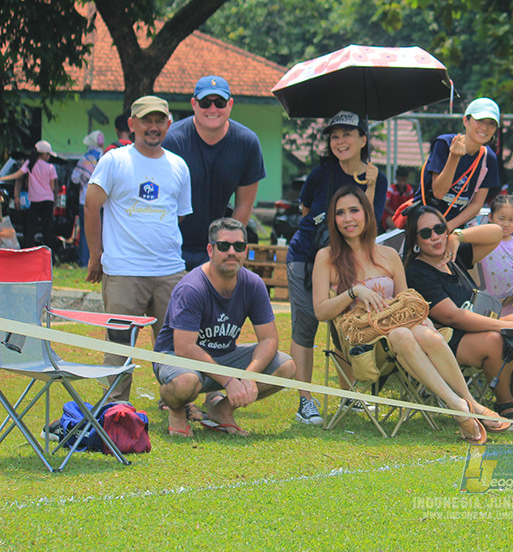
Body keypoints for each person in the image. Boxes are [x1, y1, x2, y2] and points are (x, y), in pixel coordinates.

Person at [313, 186, 492, 444]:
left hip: (400, 335)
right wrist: (353, 292)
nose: (348, 218)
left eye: (354, 210)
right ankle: (458, 404)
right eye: (340, 213)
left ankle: (468, 404)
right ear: (333, 219)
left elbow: (406, 302)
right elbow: (320, 311)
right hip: (363, 343)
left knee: (420, 334)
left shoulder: (387, 255)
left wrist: (424, 321)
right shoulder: (326, 258)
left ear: (366, 214)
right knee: (403, 334)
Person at [404, 205, 513, 430]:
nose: (436, 237)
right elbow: (453, 317)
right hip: (445, 339)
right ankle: (506, 403)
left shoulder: (453, 255)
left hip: (474, 328)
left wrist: (458, 236)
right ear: (415, 239)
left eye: (439, 229)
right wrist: (502, 325)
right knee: (498, 338)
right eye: (426, 233)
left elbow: (496, 232)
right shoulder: (418, 271)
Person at [85, 96, 192, 402]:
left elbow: (179, 214)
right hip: (123, 272)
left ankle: (177, 404)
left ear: (168, 124)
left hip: (170, 272)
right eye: (146, 120)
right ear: (132, 124)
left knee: (175, 346)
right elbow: (92, 207)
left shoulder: (178, 166)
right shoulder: (115, 161)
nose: (153, 127)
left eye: (159, 121)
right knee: (118, 348)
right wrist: (96, 255)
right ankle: (114, 411)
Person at [286, 111, 387, 425]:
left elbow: (368, 222)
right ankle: (306, 401)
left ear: (363, 140)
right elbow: (307, 212)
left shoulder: (375, 177)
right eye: (334, 135)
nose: (340, 141)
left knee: (346, 324)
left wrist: (369, 185)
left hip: (348, 259)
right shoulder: (321, 174)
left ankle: (351, 395)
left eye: (347, 134)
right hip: (306, 256)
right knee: (306, 325)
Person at [153, 218, 296, 437]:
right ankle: (176, 410)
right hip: (178, 359)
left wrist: (249, 376)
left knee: (285, 366)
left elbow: (269, 339)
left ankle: (222, 410)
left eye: (238, 246)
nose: (231, 252)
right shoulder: (192, 288)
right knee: (185, 382)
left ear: (245, 250)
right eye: (224, 246)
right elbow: (184, 348)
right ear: (210, 249)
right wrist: (228, 380)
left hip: (223, 356)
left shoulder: (253, 284)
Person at [163, 75, 266, 271]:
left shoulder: (247, 143)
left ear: (230, 104)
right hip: (172, 247)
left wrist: (227, 247)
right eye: (205, 103)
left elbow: (244, 205)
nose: (212, 110)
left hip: (217, 249)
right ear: (193, 104)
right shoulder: (172, 142)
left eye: (219, 103)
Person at [412, 98, 501, 230]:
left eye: (491, 123)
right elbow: (439, 193)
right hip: (425, 219)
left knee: (495, 232)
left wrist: (447, 228)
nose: (485, 127)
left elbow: (476, 205)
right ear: (466, 121)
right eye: (480, 120)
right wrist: (454, 157)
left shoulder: (489, 158)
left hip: (455, 227)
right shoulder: (444, 144)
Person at [479, 195, 513, 316]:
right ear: (490, 217)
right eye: (501, 218)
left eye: (511, 220)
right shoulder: (484, 242)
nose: (506, 224)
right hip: (492, 300)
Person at [0, 140, 58, 249]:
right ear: (45, 155)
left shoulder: (29, 164)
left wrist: (2, 178)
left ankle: (28, 251)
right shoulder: (51, 167)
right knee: (47, 230)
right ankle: (48, 254)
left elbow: (17, 175)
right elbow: (53, 187)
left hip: (35, 201)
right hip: (48, 201)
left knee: (31, 229)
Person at [71, 130, 104, 267]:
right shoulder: (105, 157)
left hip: (85, 199)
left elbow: (74, 178)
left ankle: (85, 261)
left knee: (85, 231)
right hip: (102, 200)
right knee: (101, 230)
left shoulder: (85, 159)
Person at [383, 167, 413, 231]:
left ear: (407, 179)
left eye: (404, 181)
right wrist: (395, 214)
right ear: (396, 178)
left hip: (403, 215)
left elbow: (412, 205)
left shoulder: (409, 190)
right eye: (400, 181)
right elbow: (385, 205)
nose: (402, 183)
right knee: (393, 224)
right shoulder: (391, 189)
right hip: (390, 215)